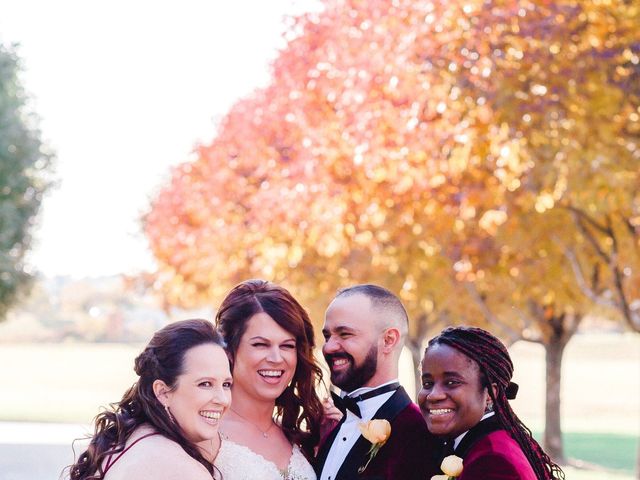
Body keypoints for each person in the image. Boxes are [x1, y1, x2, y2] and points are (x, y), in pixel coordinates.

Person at [68, 319, 232, 480]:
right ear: (163, 392)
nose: (223, 399)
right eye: (205, 384)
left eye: (226, 384)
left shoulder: (130, 439)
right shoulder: (181, 469)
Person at [316, 284, 439, 480]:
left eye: (345, 334)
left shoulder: (419, 434)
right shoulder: (330, 429)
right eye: (327, 336)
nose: (329, 347)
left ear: (388, 340)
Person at [418, 326, 565, 480]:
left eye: (452, 382)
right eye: (427, 383)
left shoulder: (493, 462)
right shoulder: (478, 444)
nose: (433, 395)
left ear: (490, 393)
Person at [213, 279, 323, 480]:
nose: (276, 359)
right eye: (260, 345)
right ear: (229, 351)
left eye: (287, 346)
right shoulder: (206, 433)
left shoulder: (297, 436)